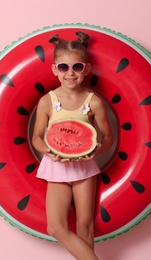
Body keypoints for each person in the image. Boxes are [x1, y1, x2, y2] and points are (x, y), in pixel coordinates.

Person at [32, 31, 114, 260]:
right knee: (56, 227)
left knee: (85, 226)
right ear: (54, 69)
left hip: (84, 169)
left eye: (77, 67)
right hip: (56, 166)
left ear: (86, 69)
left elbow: (108, 137)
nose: (70, 73)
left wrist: (96, 150)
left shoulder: (93, 102)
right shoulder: (47, 101)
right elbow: (37, 137)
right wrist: (48, 150)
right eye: (63, 67)